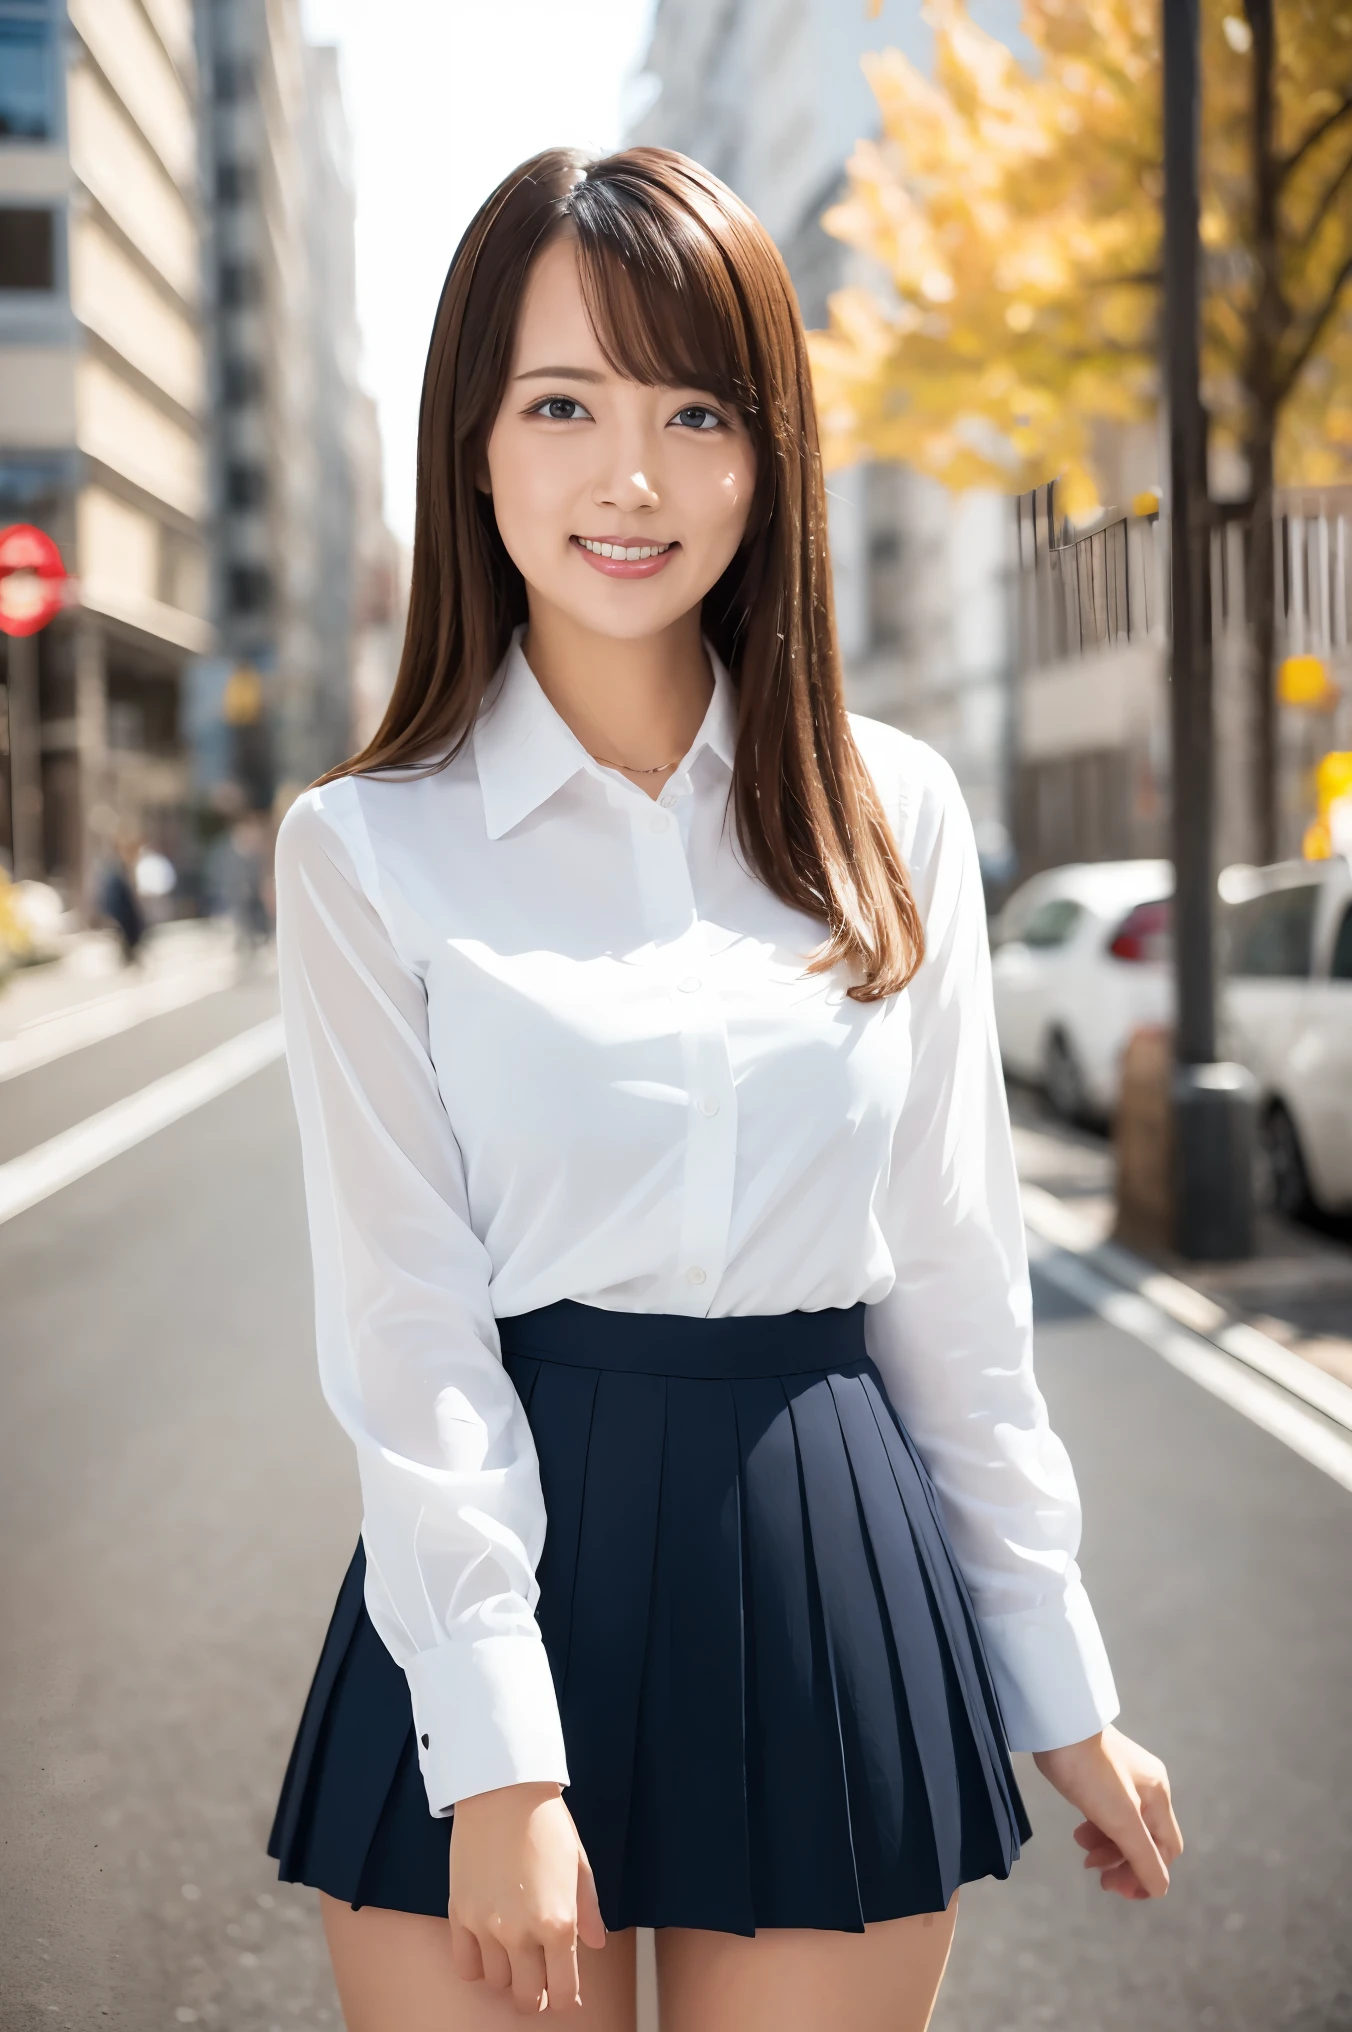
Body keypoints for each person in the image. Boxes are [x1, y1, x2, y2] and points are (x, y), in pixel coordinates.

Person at [266, 149, 1181, 2032]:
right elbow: (406, 1329)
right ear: (476, 446)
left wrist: (1058, 1673)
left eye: (697, 410)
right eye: (562, 404)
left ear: (771, 457)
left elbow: (953, 1279)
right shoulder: (368, 849)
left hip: (821, 1567)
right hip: (493, 1573)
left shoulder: (892, 807)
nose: (631, 477)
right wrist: (505, 1755)